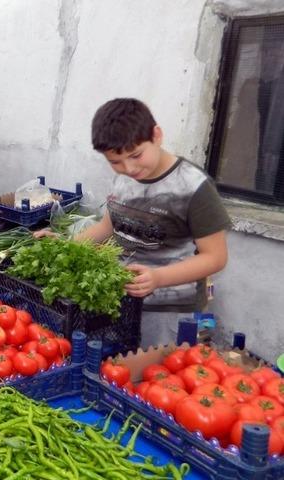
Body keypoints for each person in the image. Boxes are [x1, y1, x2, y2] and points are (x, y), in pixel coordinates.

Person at [43, 98, 230, 348]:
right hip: (123, 301)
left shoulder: (193, 186)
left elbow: (215, 258)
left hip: (169, 309)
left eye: (136, 155)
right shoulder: (125, 179)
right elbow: (106, 227)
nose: (128, 168)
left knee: (157, 375)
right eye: (115, 161)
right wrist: (65, 246)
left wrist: (158, 277)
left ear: (157, 135)